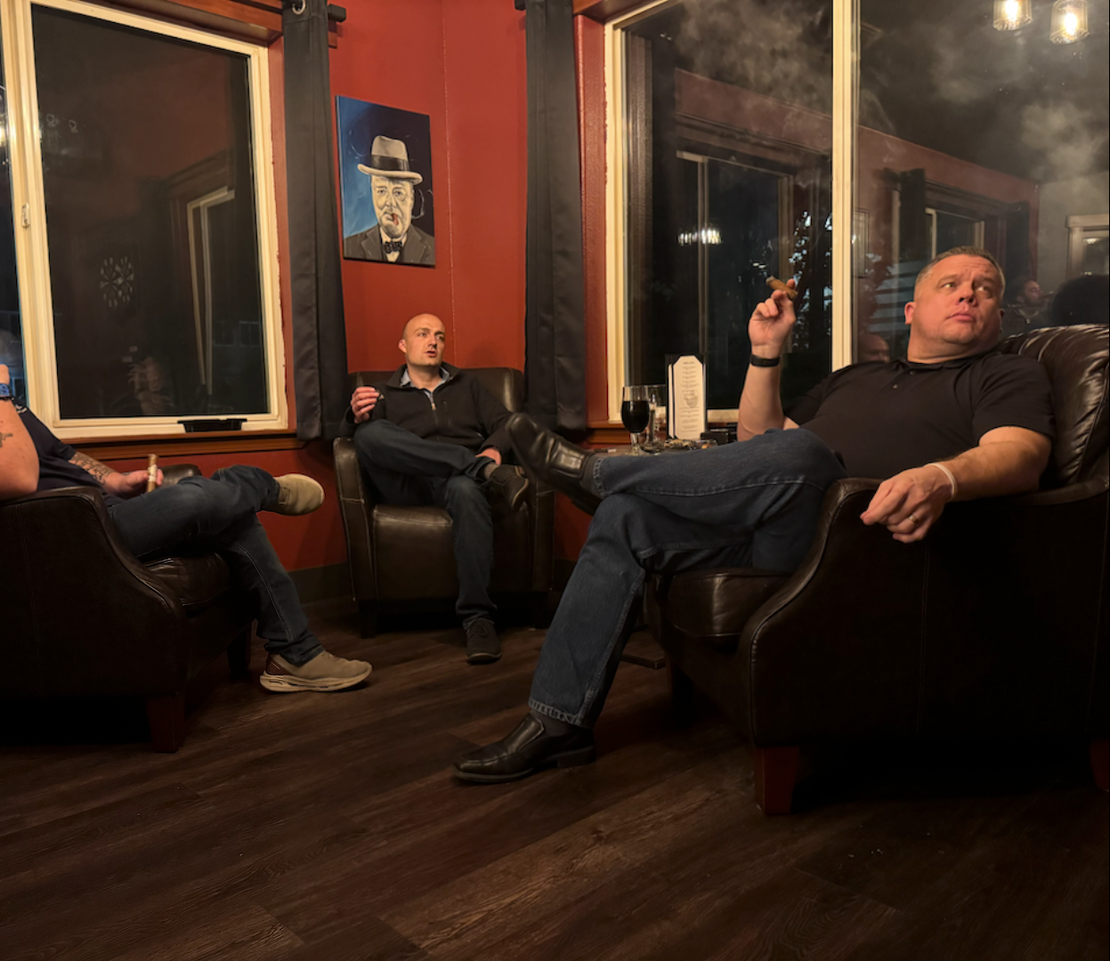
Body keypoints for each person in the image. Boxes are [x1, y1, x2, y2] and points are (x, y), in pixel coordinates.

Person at [454, 246, 1055, 782]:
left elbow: (1020, 455)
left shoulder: (1004, 372)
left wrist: (941, 476)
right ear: (910, 311)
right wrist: (765, 354)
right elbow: (759, 440)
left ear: (998, 316)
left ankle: (592, 475)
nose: (969, 292)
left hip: (858, 544)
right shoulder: (856, 377)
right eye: (950, 283)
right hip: (780, 531)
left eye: (985, 288)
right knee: (627, 517)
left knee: (803, 454)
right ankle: (558, 724)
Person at [0, 297, 371, 695]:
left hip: (97, 512)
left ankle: (294, 653)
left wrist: (112, 480)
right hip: (59, 541)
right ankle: (260, 490)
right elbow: (14, 480)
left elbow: (58, 453)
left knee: (225, 511)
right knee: (199, 499)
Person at [343, 313, 530, 663]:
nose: (433, 341)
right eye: (423, 333)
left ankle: (478, 619)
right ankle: (481, 469)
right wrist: (355, 416)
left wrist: (493, 448)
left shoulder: (468, 385)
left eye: (440, 336)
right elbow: (362, 439)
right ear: (403, 344)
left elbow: (508, 423)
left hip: (459, 485)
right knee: (369, 434)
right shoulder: (381, 392)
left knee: (463, 489)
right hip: (409, 484)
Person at [342, 137, 436, 266]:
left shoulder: (434, 249)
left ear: (412, 198)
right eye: (381, 191)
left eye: (398, 193)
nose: (390, 203)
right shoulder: (348, 247)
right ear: (373, 194)